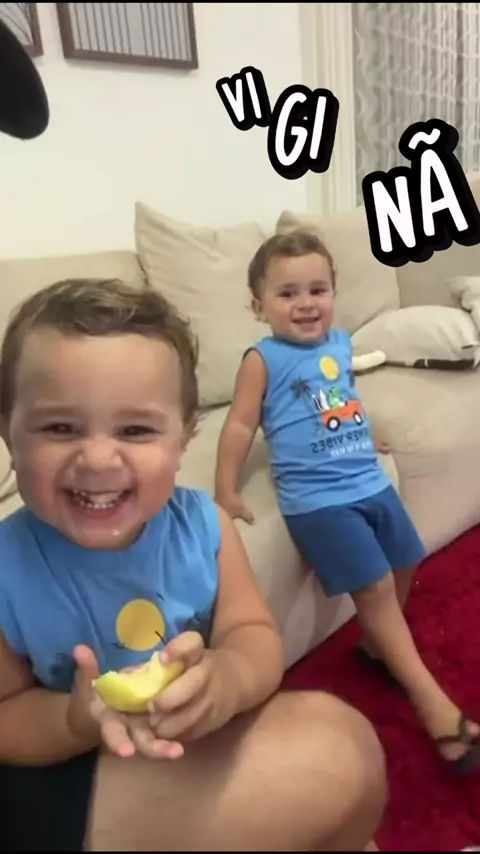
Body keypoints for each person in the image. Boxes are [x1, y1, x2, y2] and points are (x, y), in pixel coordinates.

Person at [0, 277, 387, 851]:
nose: (98, 458)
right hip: (85, 763)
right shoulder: (7, 568)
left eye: (135, 429)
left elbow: (251, 633)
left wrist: (228, 679)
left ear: (184, 439)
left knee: (347, 772)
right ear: (8, 433)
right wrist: (73, 722)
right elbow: (6, 716)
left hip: (198, 739)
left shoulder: (205, 526)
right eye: (60, 427)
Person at [214, 229, 480, 775]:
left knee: (407, 557)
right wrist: (226, 489)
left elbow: (342, 398)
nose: (306, 303)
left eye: (317, 290)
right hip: (318, 499)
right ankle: (437, 710)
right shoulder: (262, 359)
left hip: (366, 479)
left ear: (334, 293)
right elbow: (240, 425)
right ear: (258, 305)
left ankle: (377, 649)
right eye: (287, 293)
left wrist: (367, 429)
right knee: (375, 587)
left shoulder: (338, 343)